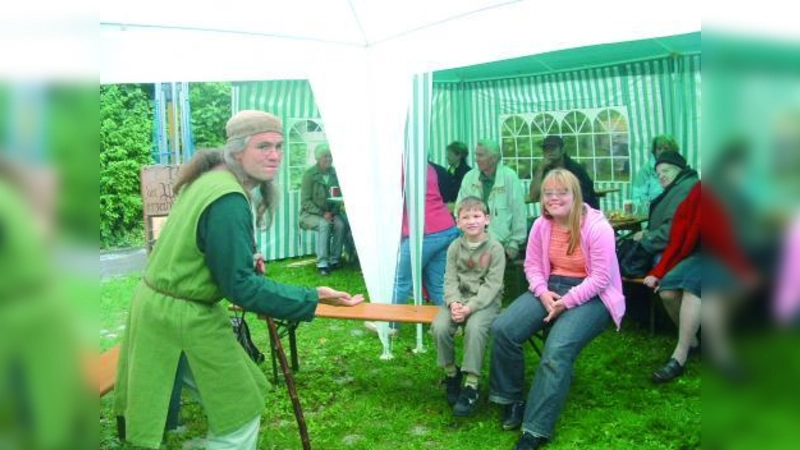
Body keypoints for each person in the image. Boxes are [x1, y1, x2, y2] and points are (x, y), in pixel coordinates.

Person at [113, 111, 364, 450]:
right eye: (262, 146)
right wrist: (312, 296)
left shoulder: (208, 179)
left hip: (162, 310)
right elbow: (241, 287)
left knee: (236, 397)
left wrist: (239, 256)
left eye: (278, 146)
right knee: (240, 411)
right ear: (237, 150)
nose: (274, 155)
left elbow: (204, 250)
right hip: (181, 318)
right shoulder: (228, 198)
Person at [489, 169, 624, 450]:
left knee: (557, 350)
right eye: (548, 193)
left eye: (561, 192)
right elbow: (532, 266)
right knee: (504, 329)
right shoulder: (541, 224)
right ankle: (512, 400)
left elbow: (601, 278)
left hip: (592, 295)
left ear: (575, 195)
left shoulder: (598, 227)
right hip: (550, 286)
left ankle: (535, 429)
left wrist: (567, 302)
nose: (554, 198)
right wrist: (543, 293)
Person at [431, 196, 505, 417]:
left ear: (487, 219)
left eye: (476, 216)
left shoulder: (495, 248)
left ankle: (471, 384)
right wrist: (454, 302)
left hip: (485, 301)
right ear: (458, 222)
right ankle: (451, 373)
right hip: (458, 299)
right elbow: (449, 279)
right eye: (466, 217)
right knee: (440, 326)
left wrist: (470, 308)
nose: (472, 221)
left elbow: (493, 285)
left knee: (475, 329)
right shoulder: (455, 246)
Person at [366, 162, 460, 335]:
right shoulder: (426, 166)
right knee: (437, 283)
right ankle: (451, 325)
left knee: (401, 280)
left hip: (424, 231)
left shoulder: (400, 166)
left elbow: (391, 199)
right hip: (445, 227)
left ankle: (389, 325)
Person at [456, 140, 527, 260]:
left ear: (494, 158)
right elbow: (459, 209)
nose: (476, 159)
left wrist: (515, 243)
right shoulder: (469, 177)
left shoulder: (509, 176)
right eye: (476, 155)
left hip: (503, 243)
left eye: (480, 155)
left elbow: (518, 211)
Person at [632, 150, 699, 261]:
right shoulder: (678, 186)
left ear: (679, 169)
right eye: (658, 174)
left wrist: (646, 237)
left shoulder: (684, 189)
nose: (661, 176)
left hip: (680, 252)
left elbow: (671, 232)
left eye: (665, 171)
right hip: (671, 245)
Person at [299, 143, 349, 276]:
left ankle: (335, 259)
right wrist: (322, 213)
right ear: (317, 158)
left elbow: (339, 196)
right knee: (324, 224)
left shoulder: (336, 173)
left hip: (331, 212)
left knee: (341, 224)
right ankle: (322, 263)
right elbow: (305, 201)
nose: (328, 159)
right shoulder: (309, 175)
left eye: (330, 156)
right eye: (325, 156)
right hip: (310, 214)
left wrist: (332, 212)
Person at [529, 135, 599, 210]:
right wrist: (541, 169)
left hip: (581, 211)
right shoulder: (544, 169)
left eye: (553, 148)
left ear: (562, 150)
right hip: (555, 212)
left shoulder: (575, 169)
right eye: (546, 149)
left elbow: (584, 197)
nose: (549, 151)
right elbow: (533, 196)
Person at [631, 135, 679, 210]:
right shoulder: (646, 170)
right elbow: (637, 196)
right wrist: (651, 209)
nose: (662, 151)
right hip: (653, 214)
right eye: (659, 149)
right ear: (654, 151)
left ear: (672, 150)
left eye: (666, 148)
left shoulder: (679, 168)